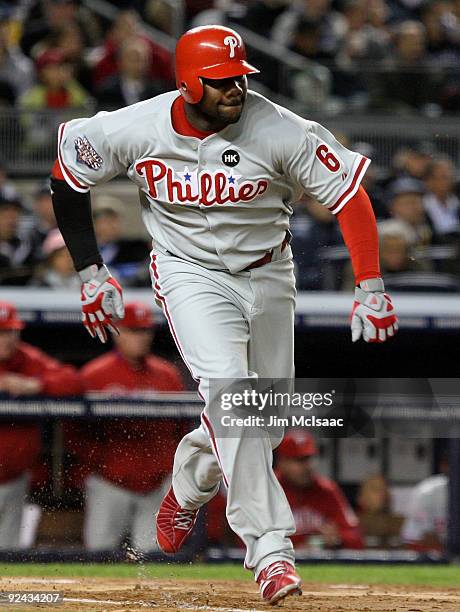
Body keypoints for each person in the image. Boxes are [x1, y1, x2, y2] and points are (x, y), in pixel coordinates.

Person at [50, 25, 398, 604]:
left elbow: (348, 196)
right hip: (190, 274)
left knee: (267, 417)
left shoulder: (279, 128)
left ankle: (188, 483)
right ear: (188, 83)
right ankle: (270, 551)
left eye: (239, 77)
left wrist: (370, 283)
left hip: (269, 271)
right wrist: (91, 271)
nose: (234, 88)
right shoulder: (136, 126)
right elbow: (68, 175)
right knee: (231, 393)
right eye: (219, 81)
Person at [64, 302, 184, 552]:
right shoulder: (95, 374)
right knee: (99, 551)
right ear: (116, 331)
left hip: (156, 481)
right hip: (109, 481)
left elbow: (182, 428)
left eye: (145, 331)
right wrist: (93, 468)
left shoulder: (167, 374)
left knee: (154, 556)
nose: (141, 337)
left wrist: (168, 466)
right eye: (133, 330)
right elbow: (73, 431)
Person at [0, 301, 82, 550]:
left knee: (8, 555)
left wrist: (36, 385)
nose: (6, 339)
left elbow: (73, 381)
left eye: (10, 331)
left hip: (14, 477)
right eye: (0, 333)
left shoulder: (28, 359)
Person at [207, 430, 364, 550]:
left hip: (321, 569)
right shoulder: (264, 489)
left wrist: (338, 539)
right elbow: (245, 542)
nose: (307, 466)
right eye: (299, 461)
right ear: (282, 462)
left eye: (309, 459)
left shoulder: (327, 490)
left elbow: (356, 537)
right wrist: (295, 549)